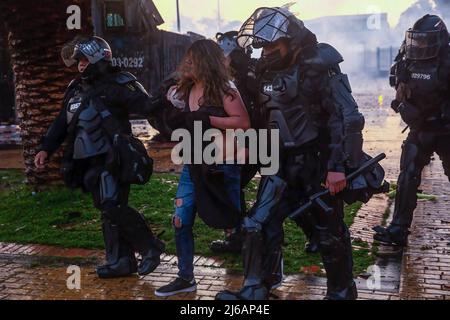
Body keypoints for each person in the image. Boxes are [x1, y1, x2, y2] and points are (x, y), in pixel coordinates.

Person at [216, 6, 369, 300]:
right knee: (257, 224)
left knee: (329, 234)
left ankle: (341, 292)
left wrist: (338, 166)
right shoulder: (263, 70)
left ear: (292, 40)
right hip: (278, 163)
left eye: (274, 44)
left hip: (317, 163)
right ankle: (257, 287)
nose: (268, 50)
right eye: (265, 44)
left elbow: (346, 117)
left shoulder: (317, 63)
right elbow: (262, 115)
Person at [34, 36, 165, 279]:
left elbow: (147, 106)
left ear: (98, 57)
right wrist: (45, 148)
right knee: (106, 209)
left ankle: (150, 246)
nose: (80, 65)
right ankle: (121, 261)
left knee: (112, 205)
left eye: (84, 59)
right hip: (87, 161)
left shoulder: (119, 82)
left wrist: (169, 94)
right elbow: (62, 123)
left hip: (114, 157)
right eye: (78, 61)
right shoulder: (75, 88)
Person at [154, 39, 250, 297]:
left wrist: (209, 118)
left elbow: (243, 123)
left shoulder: (226, 89)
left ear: (205, 62)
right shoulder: (187, 89)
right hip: (193, 164)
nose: (187, 63)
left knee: (237, 221)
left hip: (223, 163)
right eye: (187, 59)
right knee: (180, 219)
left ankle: (261, 274)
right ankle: (185, 277)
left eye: (192, 59)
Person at [374, 15, 450, 246]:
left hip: (446, 131)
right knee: (407, 176)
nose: (420, 46)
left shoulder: (447, 61)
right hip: (420, 129)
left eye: (425, 42)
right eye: (416, 41)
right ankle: (397, 230)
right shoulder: (406, 58)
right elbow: (394, 80)